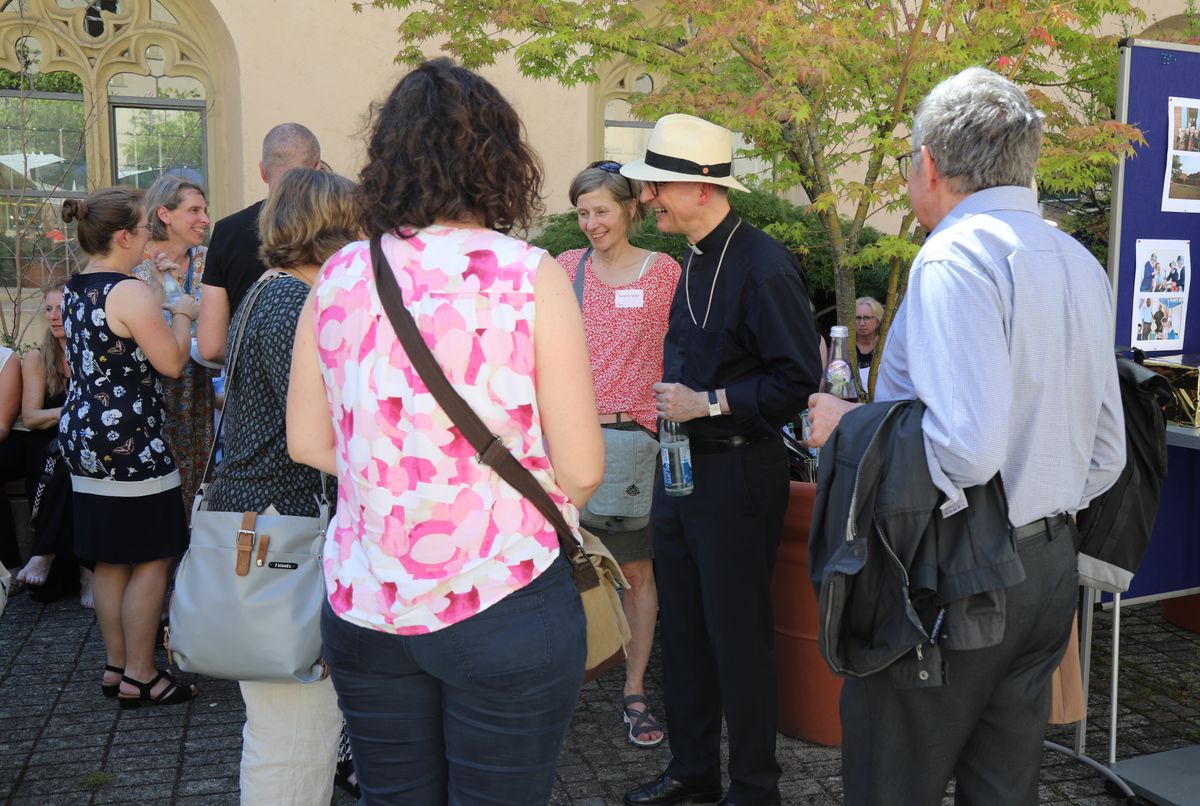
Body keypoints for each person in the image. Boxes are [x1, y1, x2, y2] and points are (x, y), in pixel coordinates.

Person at [286, 58, 603, 805]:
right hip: (507, 595)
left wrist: (400, 476)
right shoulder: (530, 274)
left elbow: (306, 441)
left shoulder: (338, 276)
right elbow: (583, 468)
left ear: (387, 158)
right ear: (499, 159)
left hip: (368, 600)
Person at [807, 67, 1124, 805]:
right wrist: (1037, 495)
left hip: (953, 571)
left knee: (892, 784)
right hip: (1047, 568)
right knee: (1003, 788)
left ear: (927, 163)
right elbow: (1107, 449)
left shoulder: (956, 256)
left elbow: (968, 446)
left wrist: (851, 424)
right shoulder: (1075, 258)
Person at [618, 114, 822, 806]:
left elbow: (797, 380)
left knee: (736, 638)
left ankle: (755, 788)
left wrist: (706, 403)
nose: (648, 200)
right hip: (682, 471)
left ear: (702, 187)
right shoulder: (697, 257)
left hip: (738, 473)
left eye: (658, 188)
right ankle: (693, 773)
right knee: (685, 630)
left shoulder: (764, 265)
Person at [204, 167, 356, 805]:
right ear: (331, 230)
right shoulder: (299, 305)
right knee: (297, 724)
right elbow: (322, 434)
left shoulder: (268, 289)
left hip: (255, 522)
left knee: (279, 723)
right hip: (282, 532)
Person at [556, 160, 682, 748]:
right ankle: (563, 676)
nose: (590, 223)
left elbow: (685, 353)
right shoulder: (563, 270)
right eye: (582, 212)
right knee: (562, 569)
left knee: (635, 570)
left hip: (636, 445)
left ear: (631, 209)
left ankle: (633, 690)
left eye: (601, 210)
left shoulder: (663, 274)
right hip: (569, 444)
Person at [59, 186, 200, 708]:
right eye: (145, 230)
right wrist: (182, 310)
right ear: (124, 236)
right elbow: (171, 362)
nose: (151, 238)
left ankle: (116, 665)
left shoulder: (77, 287)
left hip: (83, 434)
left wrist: (158, 283)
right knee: (152, 556)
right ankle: (143, 674)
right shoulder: (131, 293)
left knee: (111, 558)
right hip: (130, 440)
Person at [197, 123, 321, 363]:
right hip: (325, 386)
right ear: (317, 170)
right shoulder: (340, 230)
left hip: (252, 392)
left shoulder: (227, 231)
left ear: (263, 171)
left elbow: (211, 346)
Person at [133, 175, 212, 508]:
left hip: (199, 393)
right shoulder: (135, 264)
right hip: (148, 394)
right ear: (164, 214)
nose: (204, 219)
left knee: (197, 487)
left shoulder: (210, 261)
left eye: (205, 210)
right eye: (194, 210)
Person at [14, 279, 88, 606]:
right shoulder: (37, 357)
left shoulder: (93, 352)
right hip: (46, 444)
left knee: (74, 461)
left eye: (62, 308)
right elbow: (31, 417)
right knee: (62, 461)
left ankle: (49, 553)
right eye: (49, 308)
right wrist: (71, 412)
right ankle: (81, 568)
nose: (54, 316)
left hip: (87, 442)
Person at [854, 296, 884, 393]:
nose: (862, 323)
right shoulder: (844, 346)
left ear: (878, 321)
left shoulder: (886, 347)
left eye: (867, 318)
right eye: (858, 318)